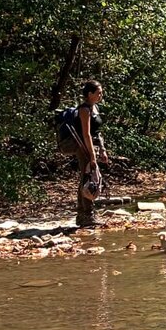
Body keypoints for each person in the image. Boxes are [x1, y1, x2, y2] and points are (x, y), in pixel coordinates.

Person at [58, 80, 109, 228]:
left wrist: (103, 150)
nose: (101, 95)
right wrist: (92, 157)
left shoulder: (95, 108)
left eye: (101, 92)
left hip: (92, 146)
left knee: (86, 178)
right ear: (89, 94)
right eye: (98, 92)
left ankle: (82, 214)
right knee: (88, 179)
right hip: (83, 146)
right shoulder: (84, 110)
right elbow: (86, 134)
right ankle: (87, 214)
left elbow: (97, 133)